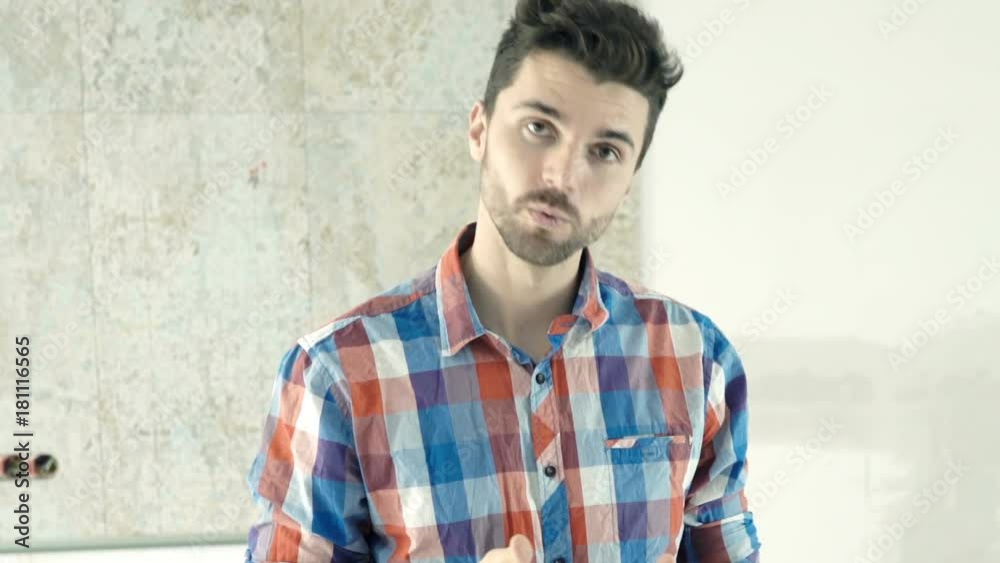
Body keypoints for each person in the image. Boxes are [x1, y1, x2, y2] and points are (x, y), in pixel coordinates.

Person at [245, 0, 760, 561]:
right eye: (539, 128)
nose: (562, 175)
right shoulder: (335, 375)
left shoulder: (695, 359)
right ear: (480, 129)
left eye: (605, 151)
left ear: (629, 179)